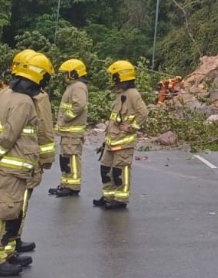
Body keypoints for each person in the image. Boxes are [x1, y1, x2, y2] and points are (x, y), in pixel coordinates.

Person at [0, 53, 46, 277]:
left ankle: (3, 254)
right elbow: (8, 136)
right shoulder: (24, 102)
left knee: (5, 210)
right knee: (2, 213)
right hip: (12, 167)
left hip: (8, 165)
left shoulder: (6, 94)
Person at [4, 51, 54, 255]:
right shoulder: (36, 98)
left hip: (6, 158)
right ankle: (11, 240)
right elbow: (43, 128)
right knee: (19, 201)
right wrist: (47, 156)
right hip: (25, 158)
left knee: (1, 200)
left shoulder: (5, 93)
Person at [95, 60, 147, 210]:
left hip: (124, 143)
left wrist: (131, 127)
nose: (112, 78)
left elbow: (143, 113)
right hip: (112, 141)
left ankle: (120, 200)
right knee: (105, 169)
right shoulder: (120, 94)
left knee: (119, 171)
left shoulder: (132, 94)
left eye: (114, 75)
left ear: (121, 77)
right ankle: (108, 196)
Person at [49, 59, 88, 197]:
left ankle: (73, 186)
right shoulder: (73, 86)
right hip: (68, 131)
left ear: (73, 73)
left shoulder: (78, 86)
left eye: (66, 73)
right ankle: (66, 183)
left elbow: (79, 105)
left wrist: (66, 117)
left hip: (72, 131)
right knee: (65, 158)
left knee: (72, 158)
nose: (64, 75)